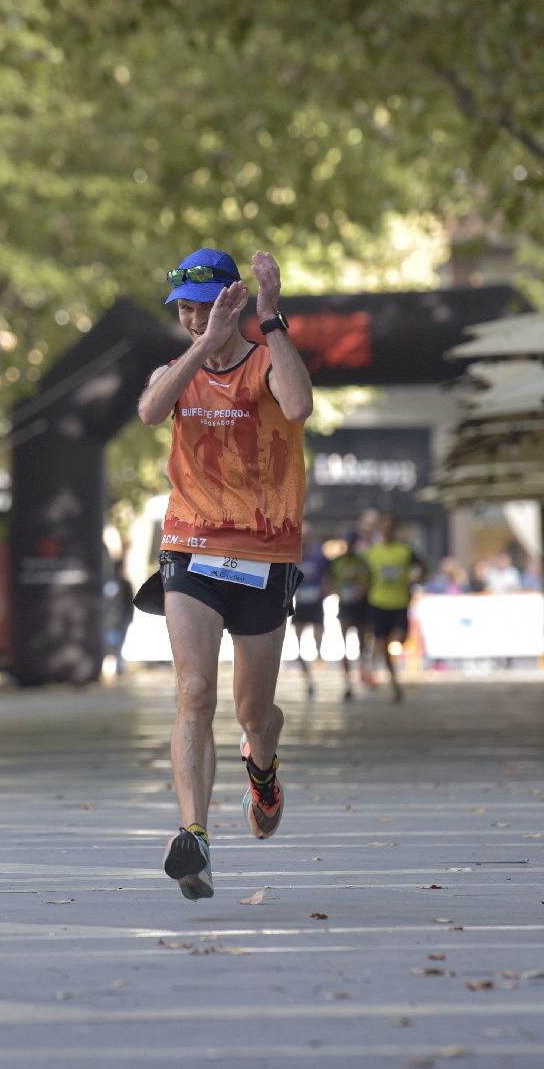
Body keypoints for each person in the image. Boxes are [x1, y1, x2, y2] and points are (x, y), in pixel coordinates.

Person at [132, 247, 312, 901]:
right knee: (195, 692)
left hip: (264, 554)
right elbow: (152, 410)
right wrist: (200, 346)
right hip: (191, 548)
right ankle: (194, 835)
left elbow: (296, 407)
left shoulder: (267, 359)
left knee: (252, 711)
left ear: (230, 302)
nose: (189, 317)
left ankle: (261, 767)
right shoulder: (177, 370)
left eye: (202, 306)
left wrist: (272, 319)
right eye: (182, 307)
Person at [362, 515, 423, 702]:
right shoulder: (372, 552)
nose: (387, 531)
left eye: (390, 527)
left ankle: (377, 670)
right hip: (378, 603)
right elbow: (365, 575)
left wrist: (415, 579)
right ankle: (394, 683)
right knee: (383, 645)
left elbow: (422, 566)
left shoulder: (405, 551)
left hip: (399, 603)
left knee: (398, 640)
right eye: (384, 527)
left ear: (396, 530)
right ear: (380, 530)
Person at [327, 531, 370, 699]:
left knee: (362, 643)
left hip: (360, 606)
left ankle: (362, 672)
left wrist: (361, 592)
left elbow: (367, 580)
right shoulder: (337, 562)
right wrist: (337, 591)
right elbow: (331, 580)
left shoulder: (361, 562)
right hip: (345, 605)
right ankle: (348, 681)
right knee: (344, 644)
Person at [291, 528, 330, 699]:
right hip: (300, 604)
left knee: (318, 636)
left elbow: (327, 576)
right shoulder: (292, 558)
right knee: (298, 641)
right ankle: (308, 678)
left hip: (315, 603)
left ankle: (318, 656)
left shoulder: (318, 557)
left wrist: (325, 589)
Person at [104, 564, 135, 682]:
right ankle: (117, 667)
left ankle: (118, 668)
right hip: (114, 619)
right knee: (115, 644)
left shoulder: (115, 583)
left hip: (119, 619)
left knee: (118, 644)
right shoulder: (117, 583)